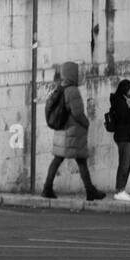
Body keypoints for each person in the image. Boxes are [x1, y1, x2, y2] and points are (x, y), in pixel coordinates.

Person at [42, 60, 106, 201]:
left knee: (58, 159)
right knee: (81, 160)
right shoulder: (72, 90)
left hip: (62, 131)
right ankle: (90, 191)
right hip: (72, 132)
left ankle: (47, 188)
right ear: (73, 74)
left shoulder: (60, 88)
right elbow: (77, 113)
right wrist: (86, 123)